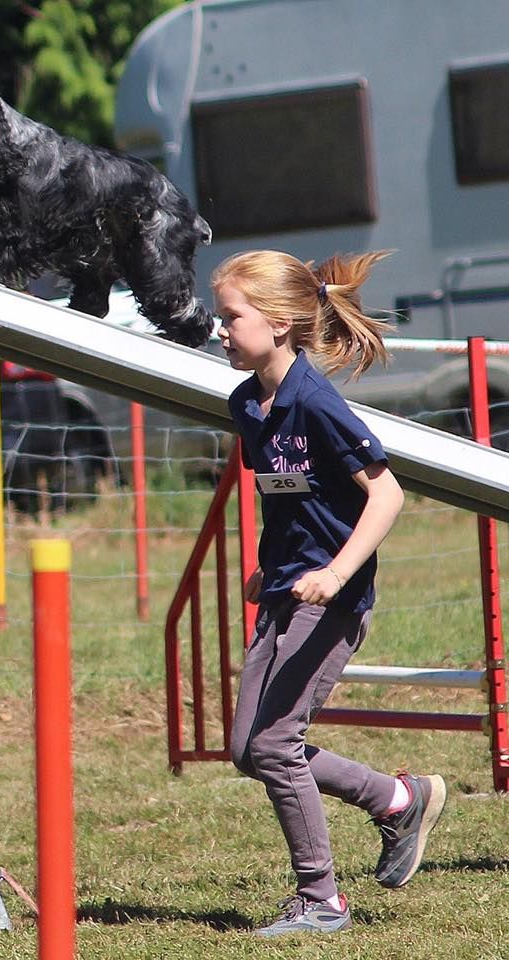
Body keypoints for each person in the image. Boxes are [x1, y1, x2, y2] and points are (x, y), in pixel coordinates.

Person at [212, 249, 446, 938]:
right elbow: (288, 499)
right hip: (286, 590)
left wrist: (337, 574)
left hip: (331, 603)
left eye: (231, 318)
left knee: (277, 744)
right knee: (249, 749)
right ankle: (399, 802)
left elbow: (387, 494)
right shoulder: (247, 405)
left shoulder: (315, 402)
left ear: (280, 323)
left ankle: (321, 902)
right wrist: (271, 565)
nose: (220, 331)